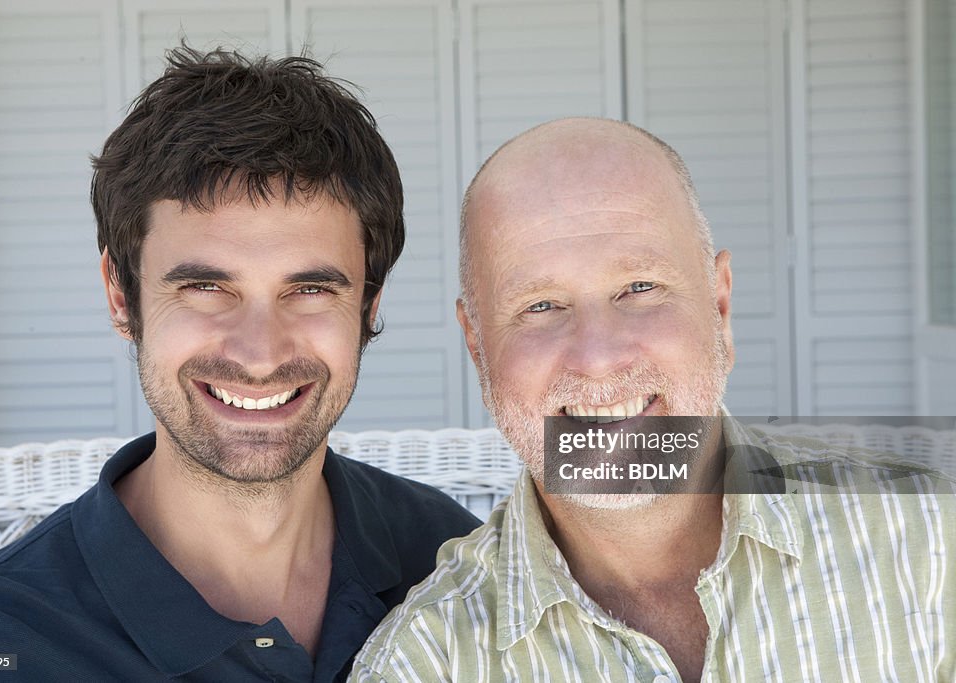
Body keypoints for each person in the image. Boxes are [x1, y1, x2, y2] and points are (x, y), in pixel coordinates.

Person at [0, 46, 478, 682]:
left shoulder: (454, 561)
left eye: (310, 290)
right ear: (120, 294)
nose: (260, 352)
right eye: (205, 288)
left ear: (369, 303)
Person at [350, 118, 956, 682]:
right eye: (540, 306)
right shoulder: (425, 663)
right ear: (478, 348)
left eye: (640, 287)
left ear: (720, 309)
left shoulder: (930, 541)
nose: (598, 357)